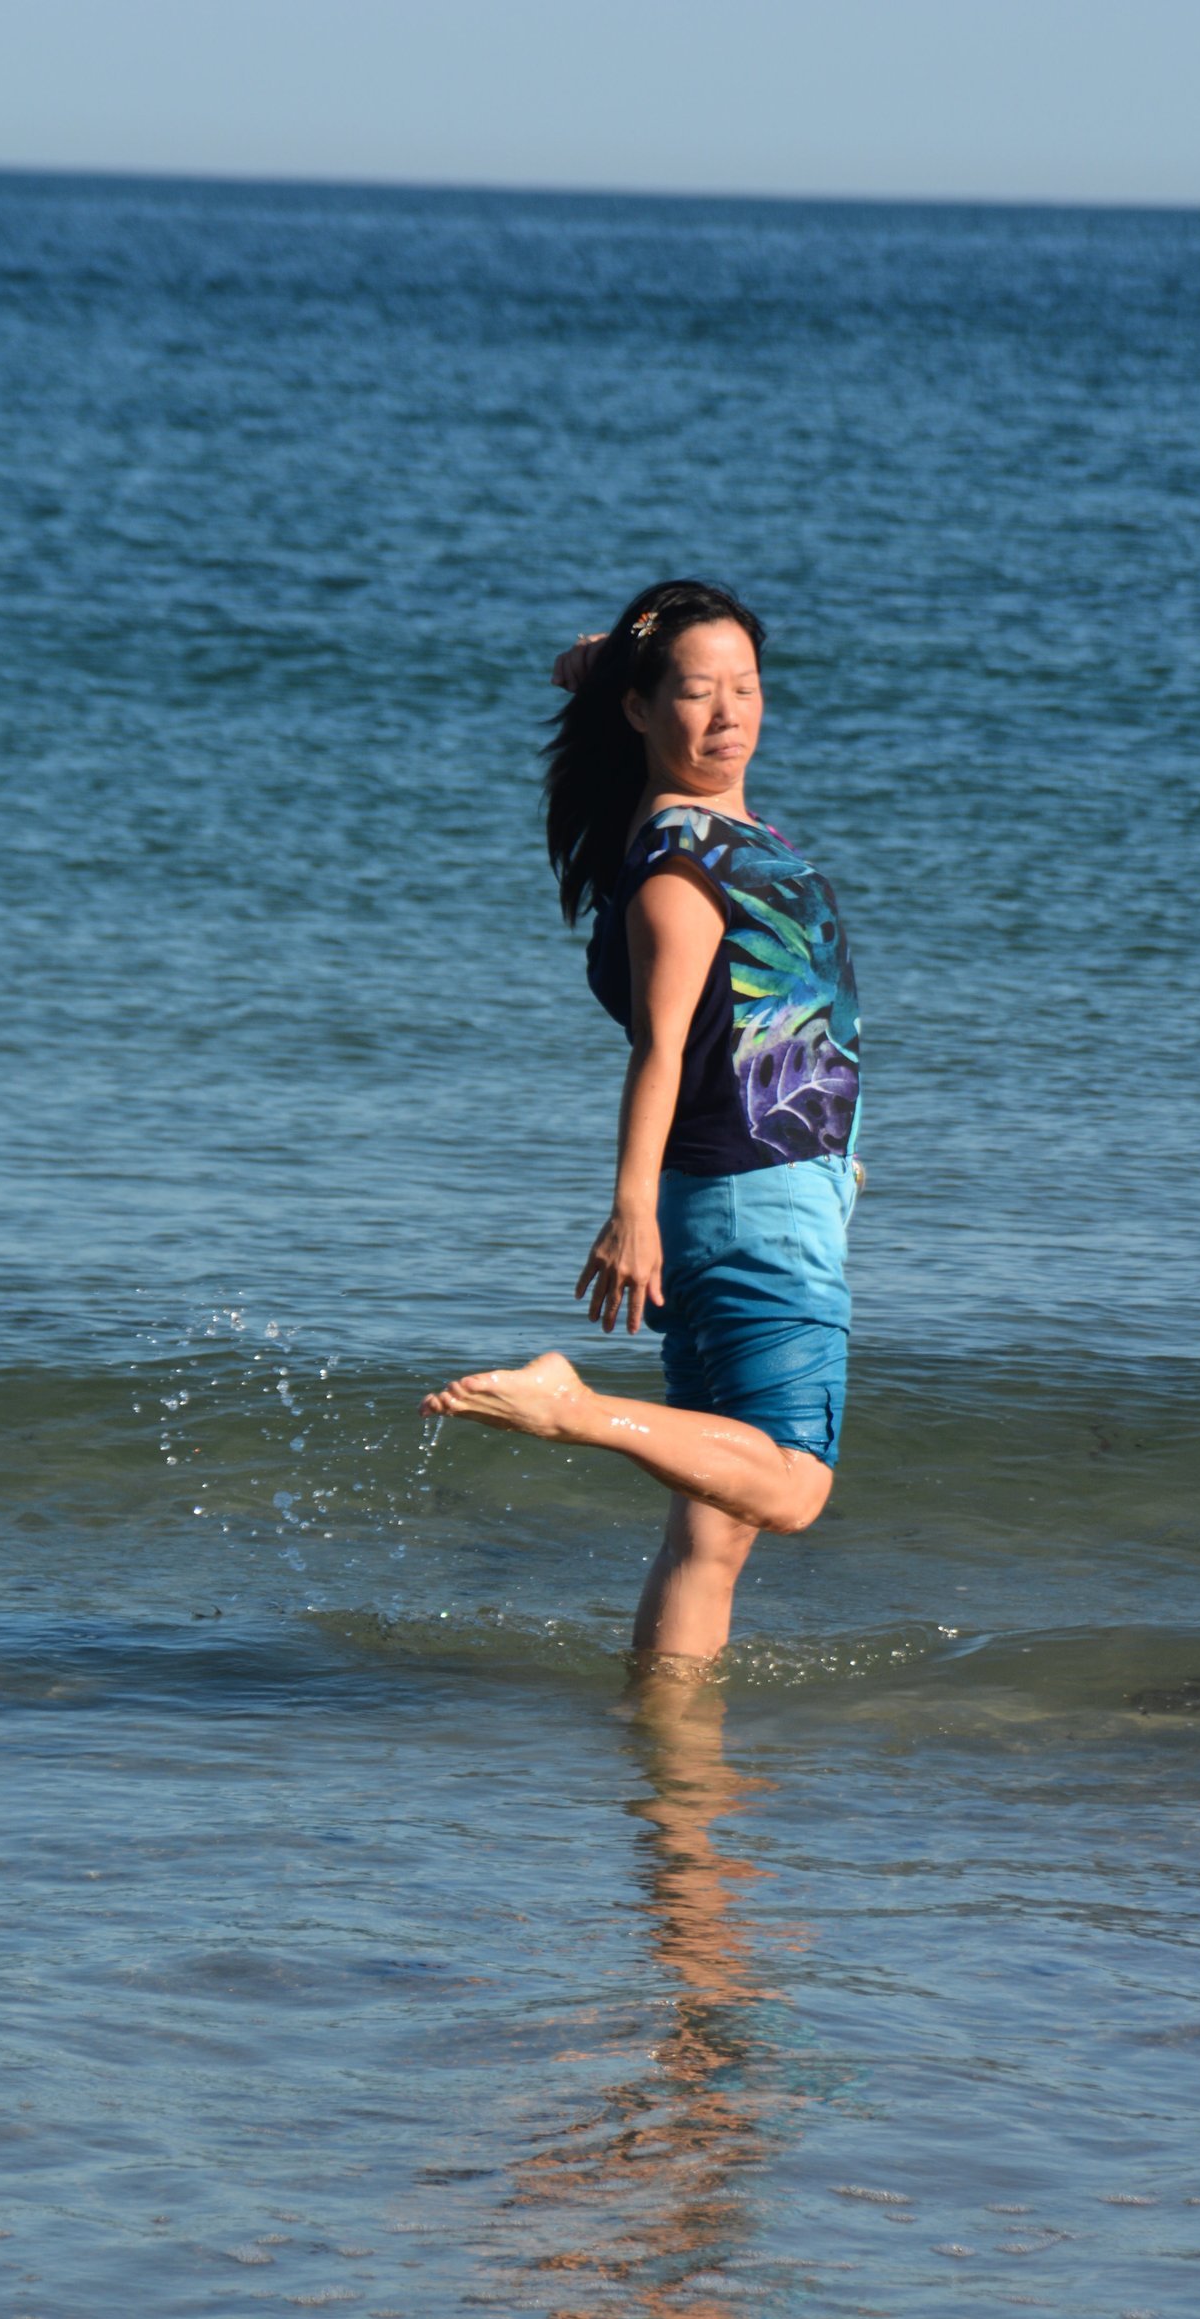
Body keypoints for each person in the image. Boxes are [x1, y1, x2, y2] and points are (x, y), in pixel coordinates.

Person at [421, 579, 861, 1662]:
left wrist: (613, 658)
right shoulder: (679, 866)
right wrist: (629, 1210)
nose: (729, 713)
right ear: (642, 711)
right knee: (793, 1490)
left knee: (710, 1537)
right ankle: (570, 1407)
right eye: (698, 694)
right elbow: (657, 1050)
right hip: (756, 1203)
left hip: (739, 1194)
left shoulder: (693, 828)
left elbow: (611, 670)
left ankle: (667, 1749)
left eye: (745, 687)